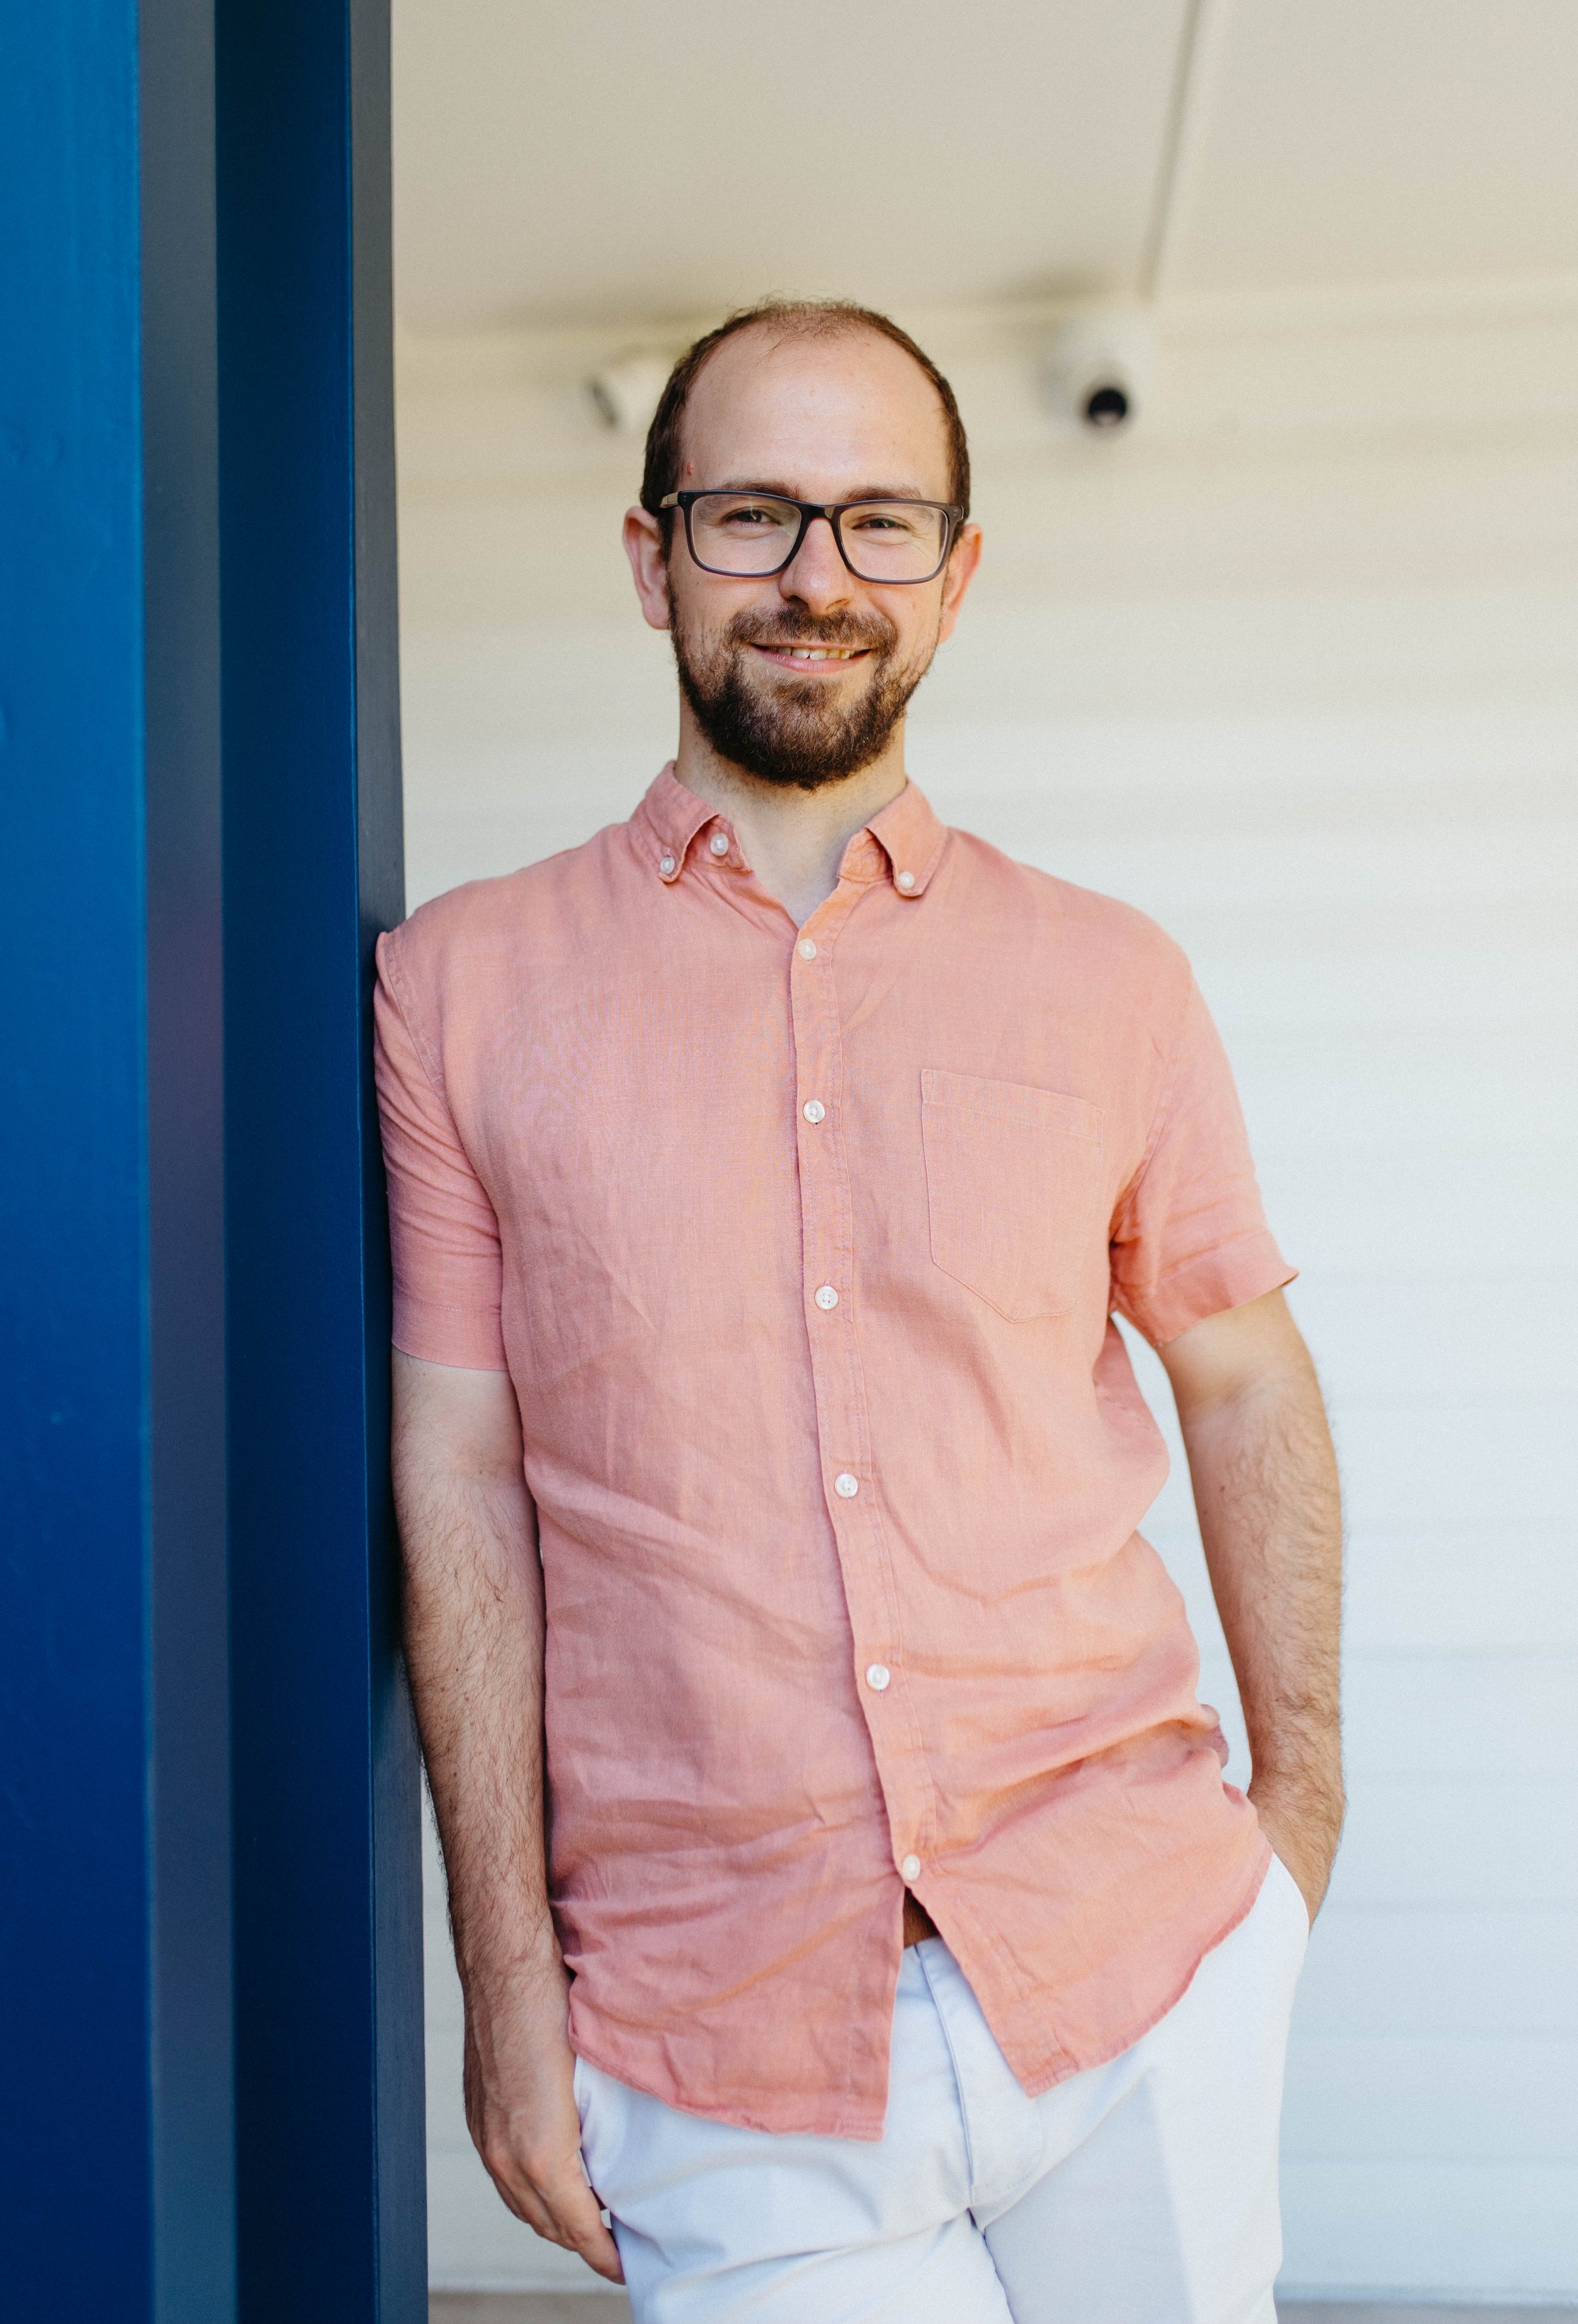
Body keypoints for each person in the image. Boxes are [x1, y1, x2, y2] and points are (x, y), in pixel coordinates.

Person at [376, 299, 1344, 2324]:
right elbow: (460, 1480)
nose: (817, 578)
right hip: (712, 2028)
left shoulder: (1111, 980)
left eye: (880, 522)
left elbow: (1242, 1374)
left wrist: (1297, 1811)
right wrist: (501, 1982)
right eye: (751, 514)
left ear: (957, 575)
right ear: (651, 559)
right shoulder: (454, 993)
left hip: (1131, 1951)